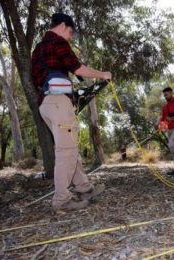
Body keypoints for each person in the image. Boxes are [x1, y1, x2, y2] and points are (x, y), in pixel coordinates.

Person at [31, 13, 112, 211]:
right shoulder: (58, 42)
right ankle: (61, 200)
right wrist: (103, 74)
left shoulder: (37, 49)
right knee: (66, 151)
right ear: (62, 25)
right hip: (59, 104)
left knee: (69, 148)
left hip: (45, 105)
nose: (71, 37)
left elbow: (36, 80)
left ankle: (85, 188)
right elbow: (77, 69)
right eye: (70, 32)